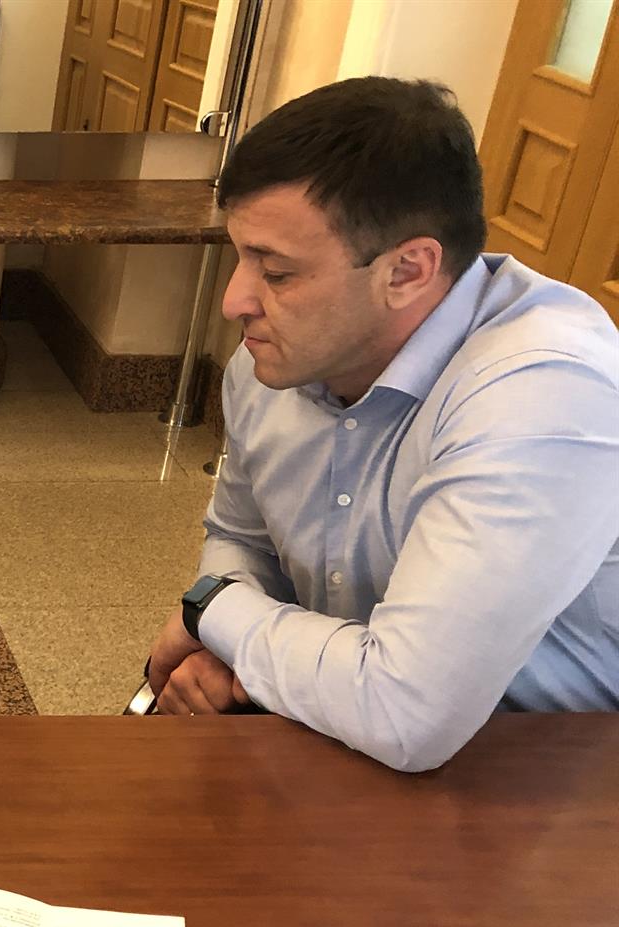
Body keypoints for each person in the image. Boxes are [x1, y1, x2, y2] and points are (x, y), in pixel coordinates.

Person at [147, 77, 619, 772]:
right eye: (240, 256)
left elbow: (405, 713)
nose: (235, 300)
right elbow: (242, 540)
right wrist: (227, 644)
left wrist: (213, 613)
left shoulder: (546, 392)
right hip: (334, 728)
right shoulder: (271, 361)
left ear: (408, 271)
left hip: (547, 774)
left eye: (276, 273)